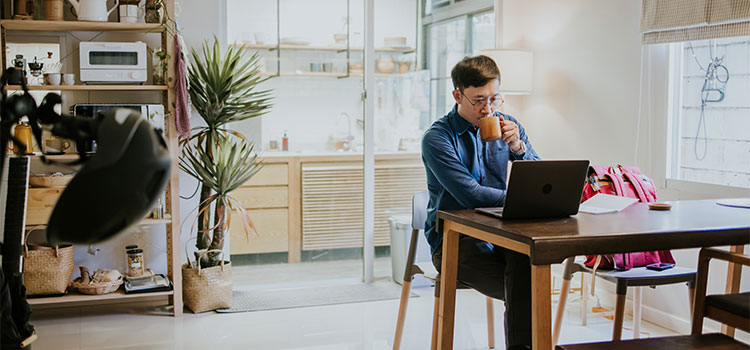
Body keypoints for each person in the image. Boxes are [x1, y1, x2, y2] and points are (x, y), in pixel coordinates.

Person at [421, 55, 540, 350]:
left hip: (502, 233)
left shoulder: (509, 125)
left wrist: (519, 148)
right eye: (478, 100)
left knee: (528, 263)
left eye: (494, 98)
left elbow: (539, 177)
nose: (487, 108)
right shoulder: (438, 138)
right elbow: (471, 195)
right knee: (525, 285)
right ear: (457, 95)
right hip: (454, 241)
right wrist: (522, 199)